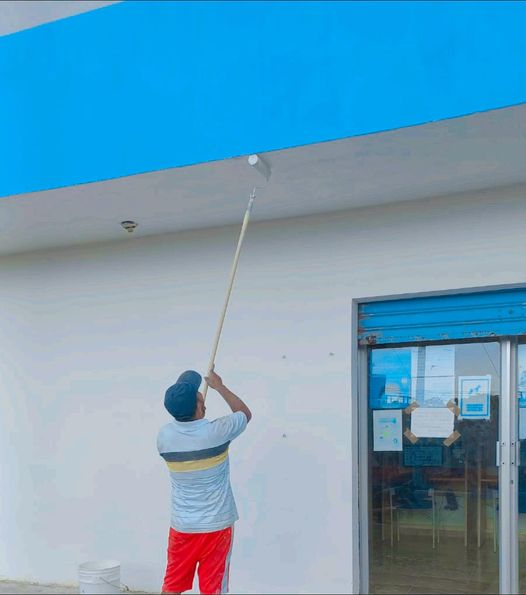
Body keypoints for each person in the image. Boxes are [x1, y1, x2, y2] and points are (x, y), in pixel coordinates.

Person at [157, 368, 252, 595]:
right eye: (198, 394)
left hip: (183, 527)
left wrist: (197, 411)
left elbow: (192, 425)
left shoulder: (164, 437)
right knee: (213, 589)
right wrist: (219, 386)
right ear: (199, 404)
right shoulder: (217, 432)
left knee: (172, 586)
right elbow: (244, 413)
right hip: (216, 528)